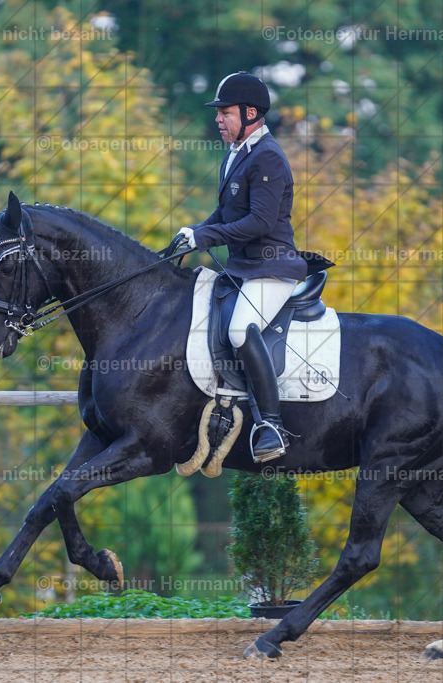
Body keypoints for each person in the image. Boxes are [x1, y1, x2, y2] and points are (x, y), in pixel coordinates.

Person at [177, 71, 307, 461]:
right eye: (218, 113)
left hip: (272, 268)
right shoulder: (236, 154)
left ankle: (271, 425)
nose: (218, 119)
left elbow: (260, 223)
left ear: (251, 113)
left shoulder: (268, 156)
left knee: (238, 329)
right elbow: (224, 212)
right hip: (243, 268)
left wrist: (208, 238)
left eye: (226, 113)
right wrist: (194, 232)